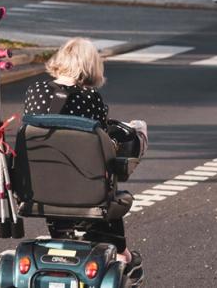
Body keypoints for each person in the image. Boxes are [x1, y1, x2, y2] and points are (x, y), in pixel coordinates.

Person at [22, 37, 146, 276]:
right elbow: (100, 142)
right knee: (109, 183)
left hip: (40, 185)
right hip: (84, 186)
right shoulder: (90, 98)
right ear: (91, 66)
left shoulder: (35, 90)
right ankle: (122, 254)